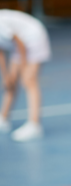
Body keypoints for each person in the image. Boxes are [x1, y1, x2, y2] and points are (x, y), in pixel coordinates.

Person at [0, 10, 51, 141]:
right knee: (11, 81)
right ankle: (3, 118)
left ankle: (35, 125)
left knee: (29, 81)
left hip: (34, 38)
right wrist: (6, 75)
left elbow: (20, 43)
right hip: (19, 45)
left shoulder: (1, 24)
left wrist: (23, 67)